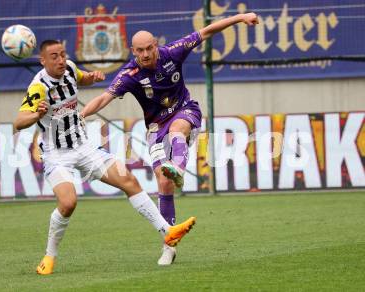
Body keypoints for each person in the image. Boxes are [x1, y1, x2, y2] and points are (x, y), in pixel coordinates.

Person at [81, 12, 259, 265]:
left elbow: (206, 32)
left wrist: (241, 17)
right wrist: (80, 115)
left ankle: (178, 166)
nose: (145, 54)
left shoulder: (173, 52)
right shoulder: (129, 74)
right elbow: (103, 98)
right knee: (163, 185)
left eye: (149, 48)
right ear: (133, 50)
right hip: (155, 128)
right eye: (139, 50)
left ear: (156, 45)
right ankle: (169, 245)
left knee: (177, 131)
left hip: (185, 110)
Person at [14, 40, 196, 275]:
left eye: (62, 54)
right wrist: (34, 115)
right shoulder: (38, 86)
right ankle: (49, 256)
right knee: (68, 203)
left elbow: (81, 77)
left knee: (129, 181)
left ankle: (168, 233)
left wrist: (93, 77)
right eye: (54, 56)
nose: (60, 60)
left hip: (84, 147)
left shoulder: (69, 68)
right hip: (56, 154)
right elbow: (19, 122)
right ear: (43, 60)